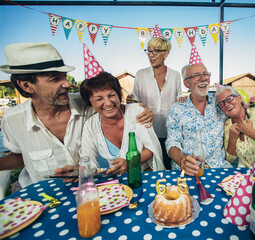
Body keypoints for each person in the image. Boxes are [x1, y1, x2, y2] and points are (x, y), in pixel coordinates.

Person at [0, 42, 153, 188]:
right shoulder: (13, 120)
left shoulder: (86, 104)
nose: (67, 83)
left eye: (65, 76)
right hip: (42, 193)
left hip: (86, 186)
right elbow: (20, 155)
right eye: (55, 79)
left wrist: (144, 110)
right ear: (26, 85)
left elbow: (117, 107)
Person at [80, 72, 165, 174]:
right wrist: (76, 172)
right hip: (117, 183)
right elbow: (88, 161)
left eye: (111, 95)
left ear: (119, 95)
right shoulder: (90, 126)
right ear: (90, 102)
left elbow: (152, 147)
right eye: (99, 98)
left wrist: (131, 163)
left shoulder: (136, 112)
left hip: (145, 175)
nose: (108, 103)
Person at [126, 38, 184, 170]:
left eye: (156, 51)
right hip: (147, 130)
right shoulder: (141, 74)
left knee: (169, 166)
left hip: (170, 131)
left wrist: (182, 98)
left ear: (166, 54)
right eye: (149, 51)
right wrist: (131, 100)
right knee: (151, 167)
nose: (151, 55)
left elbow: (179, 96)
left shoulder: (175, 75)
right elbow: (135, 99)